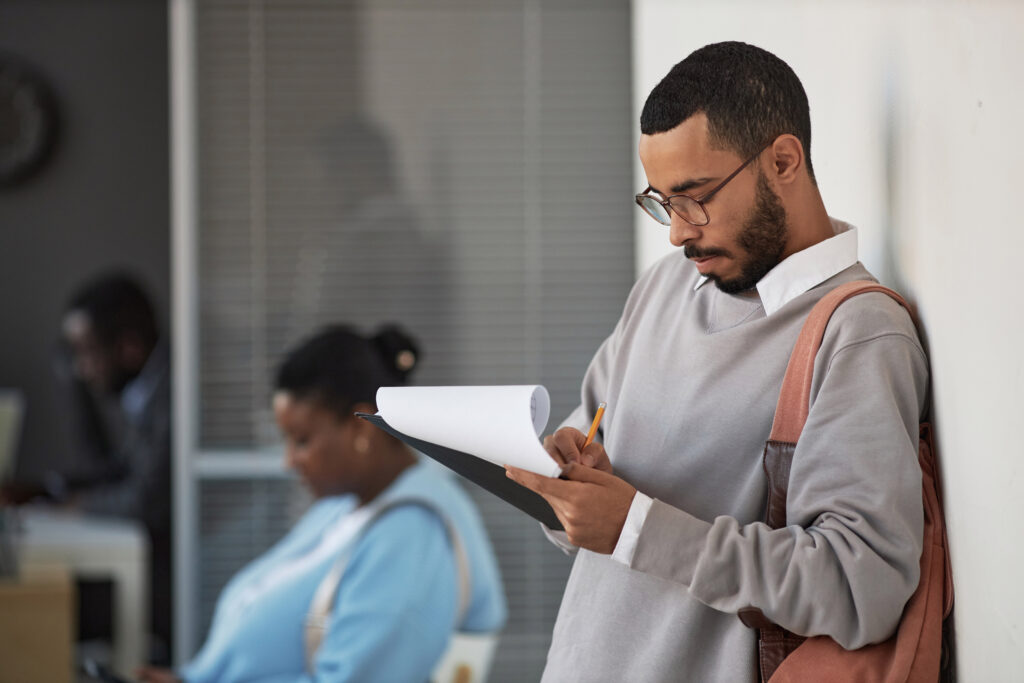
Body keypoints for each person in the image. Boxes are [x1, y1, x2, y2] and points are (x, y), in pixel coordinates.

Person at [505, 41, 929, 681]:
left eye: (695, 195)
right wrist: (573, 480)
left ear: (783, 160)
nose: (677, 231)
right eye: (662, 202)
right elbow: (590, 463)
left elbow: (860, 586)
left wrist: (637, 528)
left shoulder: (858, 331)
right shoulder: (664, 288)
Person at [138, 324, 506, 683]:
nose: (288, 461)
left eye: (301, 440)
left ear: (362, 427)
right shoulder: (347, 506)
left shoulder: (413, 532)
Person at [0, 271, 173, 659]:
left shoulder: (173, 395)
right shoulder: (145, 392)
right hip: (152, 567)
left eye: (87, 352)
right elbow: (115, 468)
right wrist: (49, 488)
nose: (82, 368)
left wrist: (70, 505)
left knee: (48, 600)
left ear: (129, 347)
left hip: (175, 583)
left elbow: (145, 501)